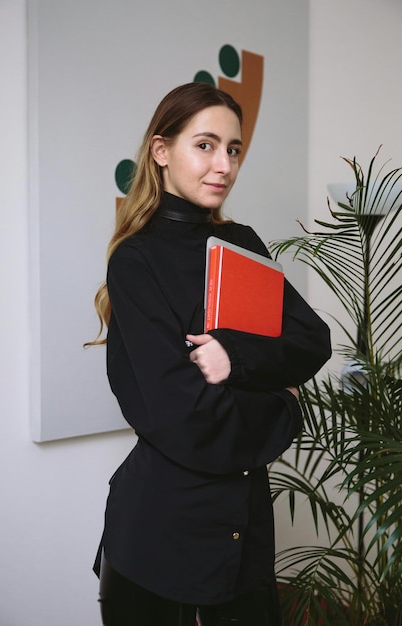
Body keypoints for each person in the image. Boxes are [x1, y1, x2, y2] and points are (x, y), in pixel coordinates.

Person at [87, 82, 331, 626]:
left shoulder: (241, 241)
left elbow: (312, 341)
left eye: (234, 149)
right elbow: (185, 416)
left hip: (245, 535)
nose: (224, 164)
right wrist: (287, 404)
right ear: (161, 151)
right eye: (205, 145)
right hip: (159, 538)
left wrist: (232, 357)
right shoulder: (136, 261)